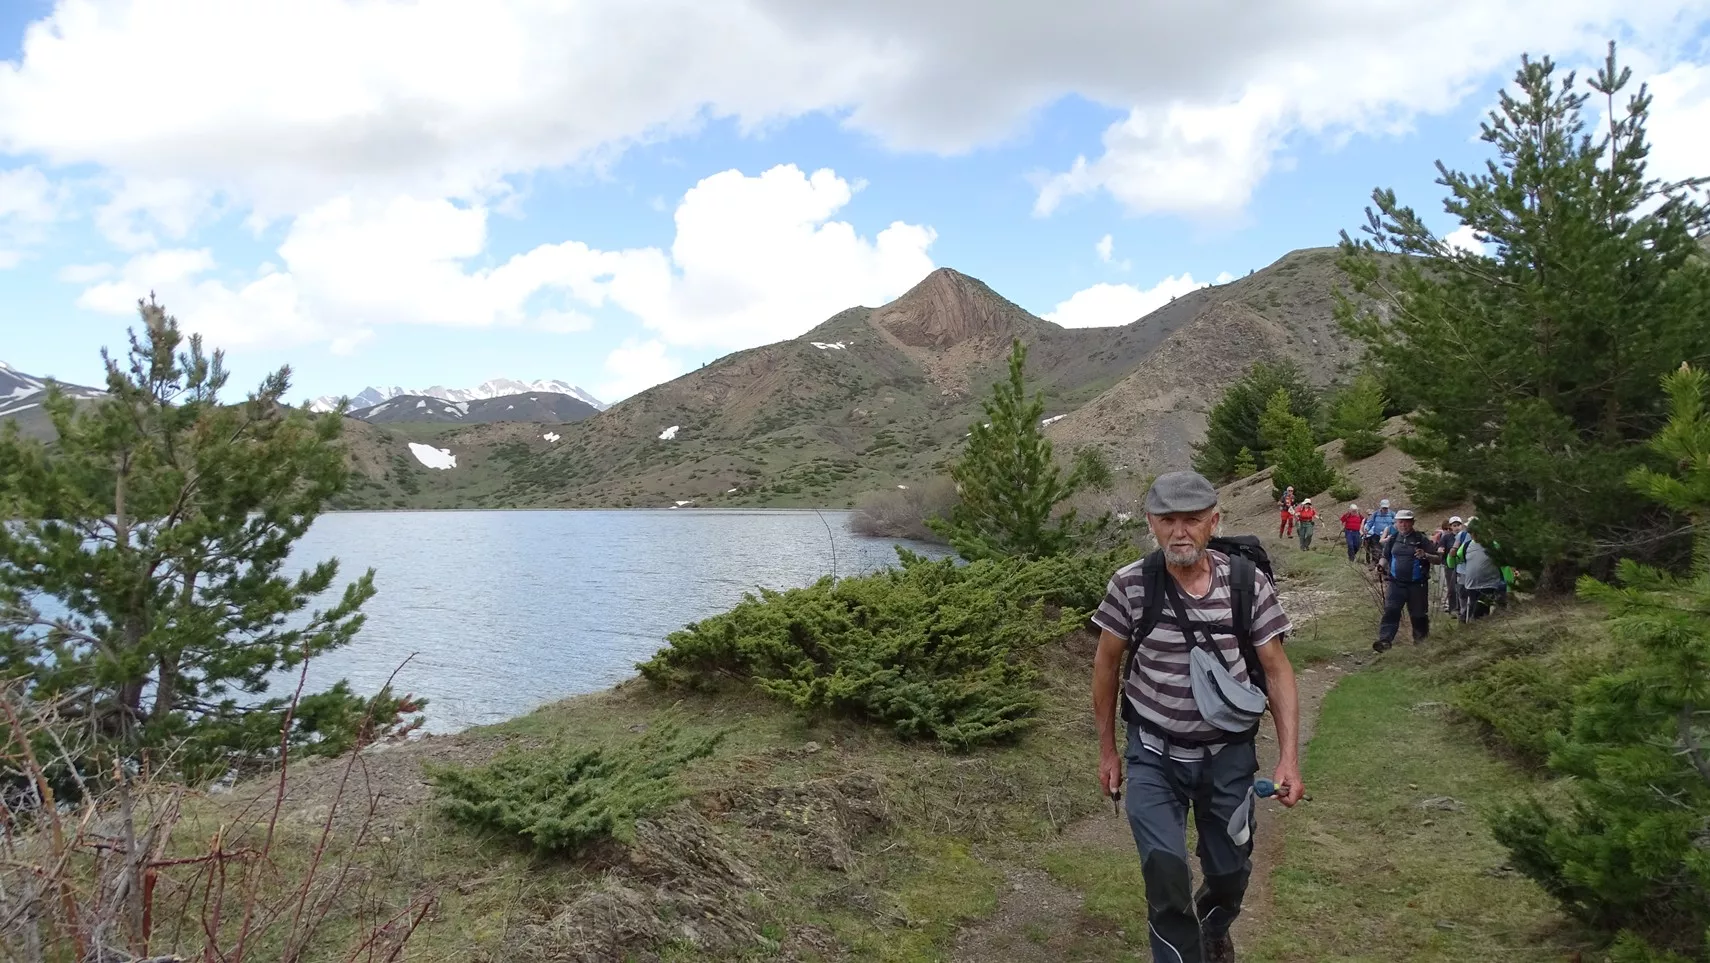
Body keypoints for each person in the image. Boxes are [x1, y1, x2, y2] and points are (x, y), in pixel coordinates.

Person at [1092, 471, 1303, 963]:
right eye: (1168, 520)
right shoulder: (1131, 584)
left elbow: (1277, 670)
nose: (1179, 532)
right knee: (1165, 873)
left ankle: (1214, 925)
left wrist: (1288, 758)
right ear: (1151, 523)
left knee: (1230, 872)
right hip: (1153, 755)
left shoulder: (1246, 583)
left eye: (1192, 519)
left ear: (1214, 521)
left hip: (1228, 756)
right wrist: (1107, 752)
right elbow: (1105, 667)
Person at [1374, 509, 1441, 651]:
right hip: (1396, 583)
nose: (1403, 525)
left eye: (1407, 522)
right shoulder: (1393, 538)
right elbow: (1385, 556)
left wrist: (1425, 555)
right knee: (1391, 610)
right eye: (1400, 522)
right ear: (1396, 523)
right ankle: (1385, 641)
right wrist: (1380, 566)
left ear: (1412, 523)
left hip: (1417, 584)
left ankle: (1421, 644)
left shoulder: (1421, 539)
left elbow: (1438, 559)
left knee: (1418, 614)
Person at [1436, 517, 1464, 614]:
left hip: (1463, 565)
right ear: (1451, 527)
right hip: (1450, 565)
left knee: (1462, 587)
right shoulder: (1447, 537)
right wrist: (1440, 550)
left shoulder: (1465, 536)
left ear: (1461, 526)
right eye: (1454, 526)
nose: (1456, 528)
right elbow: (1440, 547)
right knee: (1452, 587)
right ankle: (1453, 609)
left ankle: (1462, 608)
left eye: (1458, 525)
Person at [1362, 499, 1395, 566]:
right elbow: (1370, 522)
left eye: (1386, 508)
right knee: (1376, 549)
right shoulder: (1376, 514)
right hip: (1376, 534)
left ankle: (1387, 563)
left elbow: (1396, 524)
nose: (1385, 509)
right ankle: (1375, 562)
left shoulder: (1392, 514)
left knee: (1387, 550)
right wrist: (1366, 529)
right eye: (1383, 508)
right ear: (1381, 507)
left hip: (1387, 536)